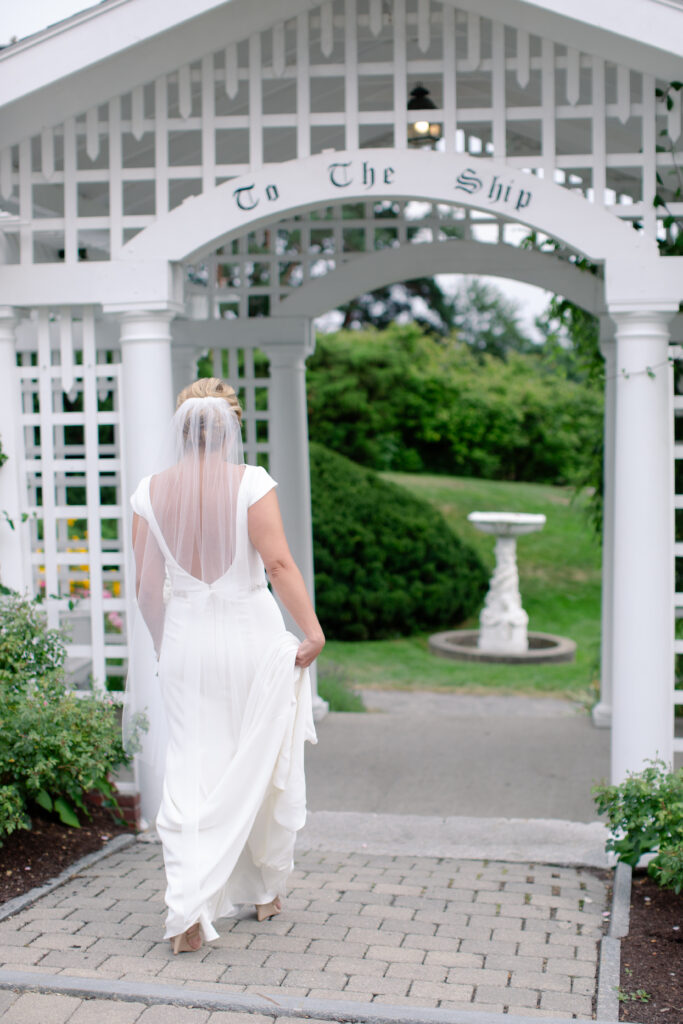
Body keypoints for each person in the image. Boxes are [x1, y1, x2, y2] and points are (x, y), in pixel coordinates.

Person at [125, 377, 324, 954]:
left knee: (192, 765)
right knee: (256, 757)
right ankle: (263, 892)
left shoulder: (149, 492)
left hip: (187, 639)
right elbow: (279, 564)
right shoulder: (251, 482)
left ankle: (187, 907)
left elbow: (145, 588)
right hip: (250, 636)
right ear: (230, 427)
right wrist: (311, 631)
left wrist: (168, 647)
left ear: (182, 428)